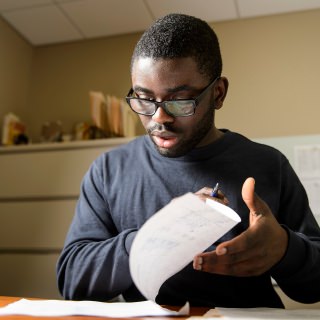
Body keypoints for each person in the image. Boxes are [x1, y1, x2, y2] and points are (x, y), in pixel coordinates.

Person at [57, 13, 320, 308]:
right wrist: (154, 237)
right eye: (143, 99)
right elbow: (72, 282)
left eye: (180, 101)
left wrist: (285, 249)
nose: (159, 117)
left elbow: (314, 288)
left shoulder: (270, 165)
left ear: (218, 94)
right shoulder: (108, 170)